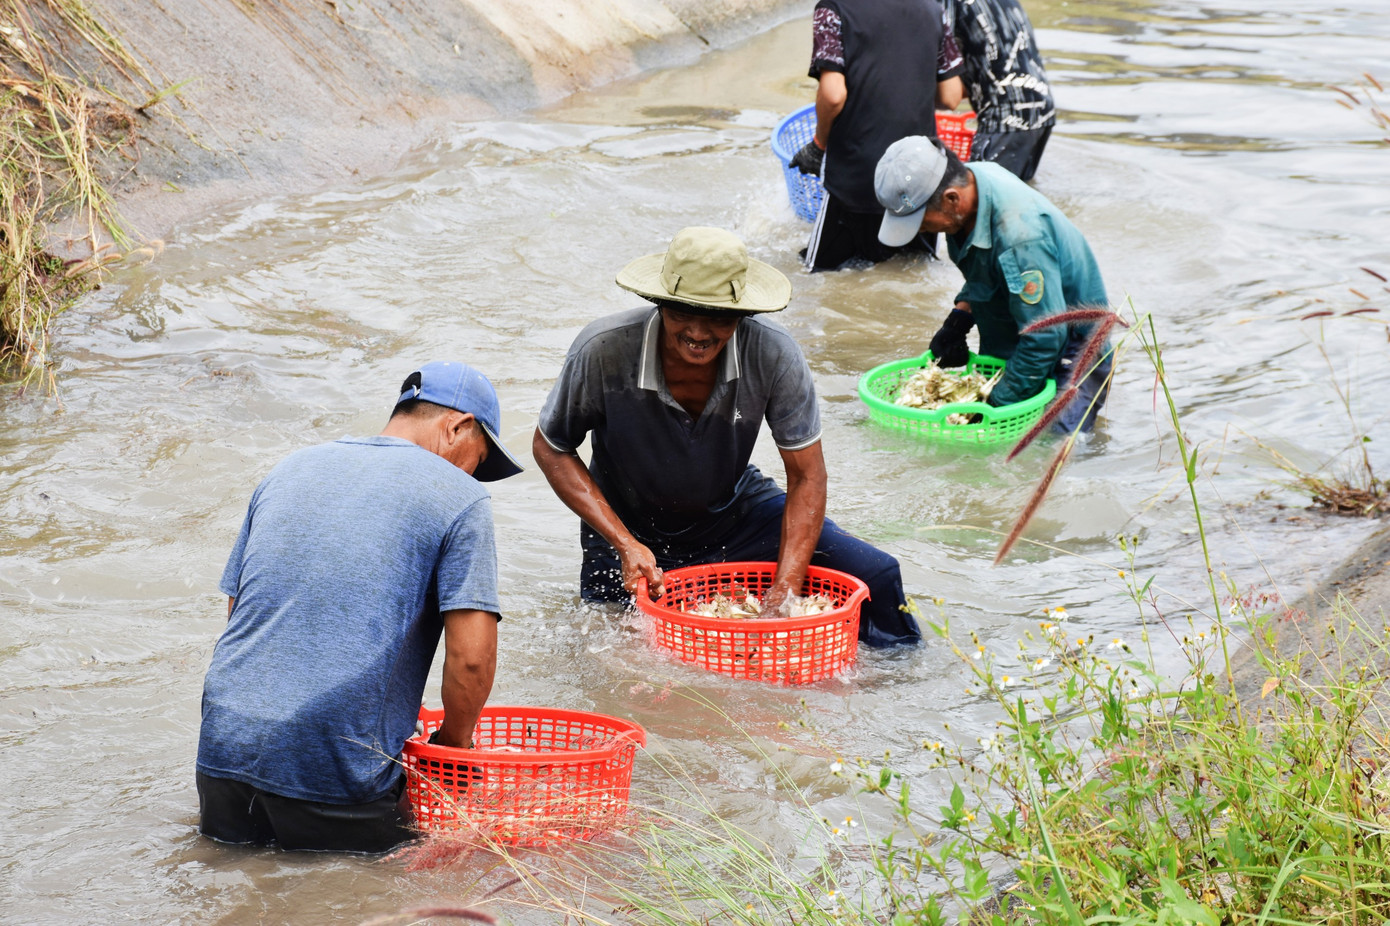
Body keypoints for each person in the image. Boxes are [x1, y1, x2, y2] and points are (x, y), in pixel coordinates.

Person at [532, 226, 919, 647]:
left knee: (877, 574)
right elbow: (551, 447)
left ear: (743, 313)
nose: (698, 333)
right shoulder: (604, 350)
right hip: (628, 528)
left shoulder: (773, 355)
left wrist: (786, 589)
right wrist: (624, 543)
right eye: (681, 313)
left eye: (717, 317)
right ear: (658, 304)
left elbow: (807, 476)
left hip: (733, 515)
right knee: (619, 655)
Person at [196, 362, 524, 853]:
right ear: (457, 426)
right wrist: (454, 749)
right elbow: (472, 656)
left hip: (223, 747)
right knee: (369, 896)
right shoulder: (460, 497)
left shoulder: (289, 469)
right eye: (477, 460)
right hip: (334, 765)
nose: (475, 475)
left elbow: (239, 610)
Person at [875, 136, 1111, 432]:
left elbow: (1046, 338)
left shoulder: (1021, 237)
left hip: (1070, 352)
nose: (922, 230)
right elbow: (987, 270)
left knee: (1042, 452)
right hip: (1023, 331)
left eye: (922, 222)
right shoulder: (971, 184)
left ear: (951, 199)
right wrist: (958, 321)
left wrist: (992, 407)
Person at [790, 0, 966, 271]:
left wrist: (818, 145)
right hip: (921, 179)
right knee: (914, 277)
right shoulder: (933, 9)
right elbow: (951, 96)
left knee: (817, 276)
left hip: (857, 177)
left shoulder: (833, 8)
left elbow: (833, 95)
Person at [941, 0, 1056, 181]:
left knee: (981, 202)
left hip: (1006, 117)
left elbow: (950, 95)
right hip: (1041, 108)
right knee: (1017, 197)